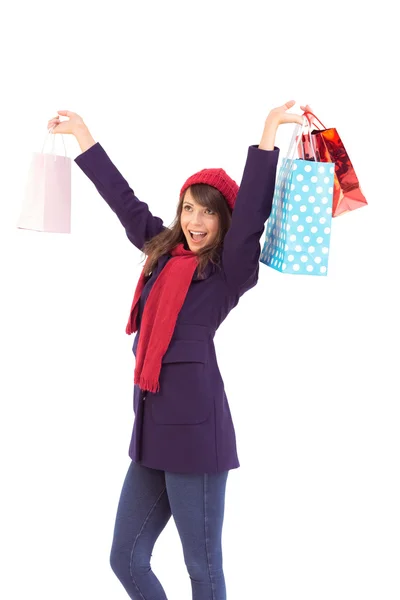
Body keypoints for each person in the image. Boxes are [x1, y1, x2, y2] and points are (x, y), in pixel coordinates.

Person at [47, 100, 309, 600]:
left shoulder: (227, 271)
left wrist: (269, 131)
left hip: (196, 441)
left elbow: (253, 211)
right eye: (189, 206)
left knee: (202, 569)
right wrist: (84, 136)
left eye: (209, 211)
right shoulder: (163, 251)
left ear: (224, 220)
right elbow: (125, 202)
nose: (195, 220)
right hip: (149, 436)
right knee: (124, 558)